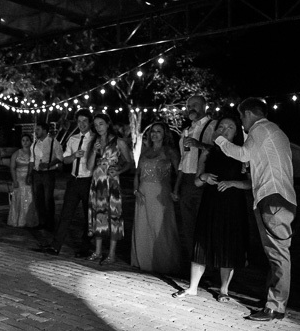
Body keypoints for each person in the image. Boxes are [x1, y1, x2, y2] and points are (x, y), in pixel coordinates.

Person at [215, 98, 296, 321]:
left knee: (278, 255)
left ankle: (275, 306)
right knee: (275, 254)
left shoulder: (261, 129)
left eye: (241, 117)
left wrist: (220, 139)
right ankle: (272, 301)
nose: (242, 122)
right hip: (280, 198)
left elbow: (242, 154)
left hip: (273, 198)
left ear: (249, 113)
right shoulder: (275, 132)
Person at [173, 117, 251, 301]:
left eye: (229, 127)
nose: (224, 130)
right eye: (221, 127)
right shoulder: (209, 152)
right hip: (210, 202)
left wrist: (232, 183)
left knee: (228, 245)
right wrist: (205, 177)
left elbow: (250, 184)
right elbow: (197, 181)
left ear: (236, 132)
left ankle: (224, 290)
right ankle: (192, 287)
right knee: (201, 243)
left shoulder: (242, 154)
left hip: (232, 205)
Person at [130, 122, 181, 274]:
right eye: (152, 131)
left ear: (164, 134)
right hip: (143, 192)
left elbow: (180, 173)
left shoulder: (170, 151)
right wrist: (135, 190)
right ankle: (143, 260)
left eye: (158, 131)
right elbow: (137, 173)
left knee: (160, 227)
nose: (154, 134)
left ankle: (162, 262)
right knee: (142, 226)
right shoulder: (145, 151)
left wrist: (176, 190)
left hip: (161, 193)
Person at [42, 109, 94, 256]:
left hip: (88, 180)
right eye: (79, 121)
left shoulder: (95, 139)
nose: (82, 124)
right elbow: (65, 160)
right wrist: (74, 156)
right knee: (66, 214)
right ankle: (55, 246)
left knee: (88, 216)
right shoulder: (73, 139)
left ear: (90, 122)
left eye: (85, 121)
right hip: (74, 180)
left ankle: (85, 248)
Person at [174, 95, 217, 265]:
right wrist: (176, 187)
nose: (190, 108)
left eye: (195, 105)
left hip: (204, 180)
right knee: (188, 224)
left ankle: (207, 261)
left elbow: (221, 151)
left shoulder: (213, 126)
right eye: (188, 105)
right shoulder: (186, 131)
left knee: (205, 224)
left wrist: (200, 145)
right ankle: (194, 262)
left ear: (205, 106)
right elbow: (182, 162)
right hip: (186, 180)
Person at [85, 113, 133, 265]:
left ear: (107, 124)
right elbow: (89, 167)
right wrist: (93, 151)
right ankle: (98, 251)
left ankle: (111, 253)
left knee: (114, 215)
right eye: (96, 125)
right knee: (98, 214)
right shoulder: (94, 142)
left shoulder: (118, 142)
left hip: (111, 183)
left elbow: (129, 162)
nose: (98, 127)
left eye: (101, 124)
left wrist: (118, 171)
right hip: (97, 182)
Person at [29, 123, 63, 231]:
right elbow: (31, 160)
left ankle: (50, 223)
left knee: (48, 199)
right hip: (36, 173)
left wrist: (49, 164)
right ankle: (42, 222)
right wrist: (29, 174)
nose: (36, 132)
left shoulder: (54, 142)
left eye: (38, 129)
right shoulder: (34, 144)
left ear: (44, 130)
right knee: (39, 199)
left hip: (48, 173)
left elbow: (60, 158)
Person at [7, 134, 38, 228]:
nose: (25, 142)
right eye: (23, 140)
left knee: (29, 199)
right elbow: (12, 168)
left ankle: (29, 220)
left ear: (30, 141)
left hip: (29, 178)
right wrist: (15, 180)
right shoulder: (16, 153)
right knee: (19, 199)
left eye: (27, 140)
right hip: (19, 178)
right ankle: (18, 220)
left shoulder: (34, 153)